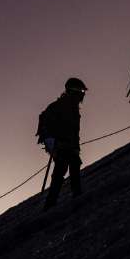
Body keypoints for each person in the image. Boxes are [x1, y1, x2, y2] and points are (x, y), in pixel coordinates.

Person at [37, 77, 87, 210]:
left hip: (67, 145)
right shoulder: (62, 105)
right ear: (73, 91)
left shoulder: (72, 107)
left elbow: (73, 131)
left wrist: (75, 146)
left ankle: (66, 197)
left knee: (71, 165)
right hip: (61, 145)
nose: (83, 94)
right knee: (62, 169)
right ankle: (52, 202)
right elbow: (44, 120)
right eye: (81, 91)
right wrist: (52, 142)